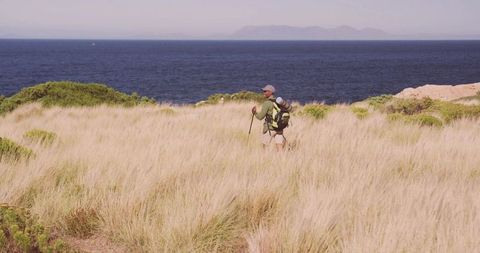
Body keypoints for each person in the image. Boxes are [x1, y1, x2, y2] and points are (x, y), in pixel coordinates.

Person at [251, 84, 289, 150]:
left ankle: (264, 159)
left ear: (270, 92)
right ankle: (282, 159)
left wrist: (255, 113)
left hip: (270, 129)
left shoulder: (267, 103)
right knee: (280, 148)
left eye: (265, 91)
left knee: (264, 146)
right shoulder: (278, 102)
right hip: (279, 128)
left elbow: (260, 117)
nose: (264, 93)